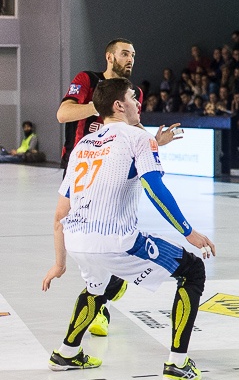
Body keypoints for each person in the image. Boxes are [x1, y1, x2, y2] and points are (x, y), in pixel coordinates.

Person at [41, 78, 215, 380]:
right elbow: (154, 188)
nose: (138, 103)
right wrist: (188, 232)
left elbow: (60, 214)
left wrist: (59, 263)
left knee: (97, 287)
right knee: (192, 271)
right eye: (134, 98)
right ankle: (178, 364)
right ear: (119, 105)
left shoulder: (83, 145)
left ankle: (66, 352)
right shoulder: (138, 138)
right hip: (116, 241)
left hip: (77, 240)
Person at [56, 38, 181, 337]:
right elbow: (63, 114)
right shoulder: (87, 80)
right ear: (109, 56)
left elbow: (132, 127)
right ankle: (104, 291)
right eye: (125, 53)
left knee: (108, 234)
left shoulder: (132, 91)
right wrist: (99, 105)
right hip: (83, 167)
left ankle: (102, 304)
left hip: (114, 170)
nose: (131, 59)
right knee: (83, 234)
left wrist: (153, 140)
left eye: (133, 55)